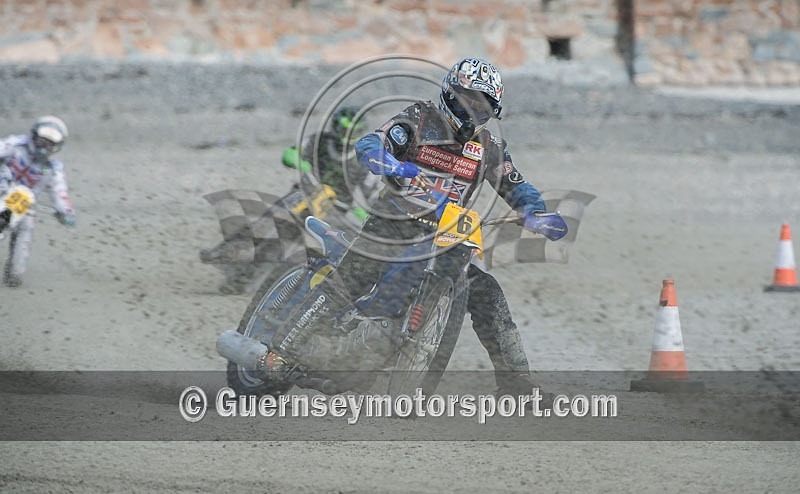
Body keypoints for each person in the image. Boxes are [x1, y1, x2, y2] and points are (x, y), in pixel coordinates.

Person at [278, 57, 567, 397]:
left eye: (482, 106)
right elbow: (372, 142)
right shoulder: (419, 118)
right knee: (353, 277)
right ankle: (282, 347)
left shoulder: (488, 147)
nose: (473, 111)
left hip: (446, 238)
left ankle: (517, 385)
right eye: (467, 100)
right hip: (393, 223)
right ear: (450, 93)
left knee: (486, 293)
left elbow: (515, 185)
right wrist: (385, 160)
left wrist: (535, 212)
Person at [200, 106, 381, 294]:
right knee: (268, 221)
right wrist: (301, 163)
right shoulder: (318, 141)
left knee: (284, 244)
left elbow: (369, 195)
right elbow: (290, 153)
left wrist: (367, 220)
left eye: (352, 130)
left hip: (333, 209)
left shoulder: (363, 158)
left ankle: (242, 279)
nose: (346, 135)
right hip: (304, 193)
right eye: (344, 129)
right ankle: (226, 250)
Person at [0, 116, 76, 288]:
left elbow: (60, 192)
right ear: (33, 136)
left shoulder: (53, 169)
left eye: (49, 144)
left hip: (22, 208)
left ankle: (14, 273)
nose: (44, 147)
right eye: (41, 141)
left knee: (27, 224)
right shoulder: (16, 146)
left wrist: (66, 213)